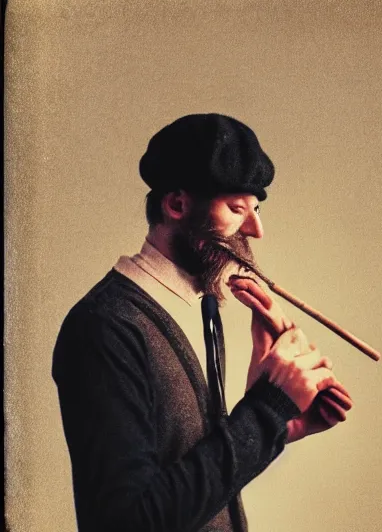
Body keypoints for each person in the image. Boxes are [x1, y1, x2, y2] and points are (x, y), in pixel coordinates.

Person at [52, 113, 353, 532]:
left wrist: (278, 427)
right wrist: (265, 410)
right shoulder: (105, 327)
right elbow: (127, 521)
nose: (256, 229)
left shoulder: (204, 306)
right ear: (177, 205)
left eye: (256, 209)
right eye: (236, 208)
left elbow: (192, 481)